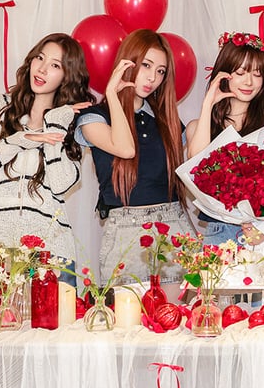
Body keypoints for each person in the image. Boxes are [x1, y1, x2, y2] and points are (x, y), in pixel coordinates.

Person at [0, 32, 91, 288]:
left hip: (50, 250)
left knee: (56, 317)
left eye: (55, 65)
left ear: (67, 76)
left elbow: (61, 185)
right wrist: (18, 141)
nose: (42, 69)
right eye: (40, 58)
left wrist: (54, 123)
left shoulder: (69, 121)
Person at [76, 29, 195, 282]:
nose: (153, 77)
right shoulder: (94, 118)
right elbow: (126, 149)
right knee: (126, 309)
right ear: (127, 63)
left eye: (161, 71)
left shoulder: (167, 121)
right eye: (146, 65)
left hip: (174, 226)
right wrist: (112, 95)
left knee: (181, 309)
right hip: (125, 232)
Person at [185, 32, 264, 250]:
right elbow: (196, 168)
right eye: (240, 73)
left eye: (257, 74)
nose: (249, 82)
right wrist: (208, 105)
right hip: (221, 232)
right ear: (223, 73)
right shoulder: (198, 126)